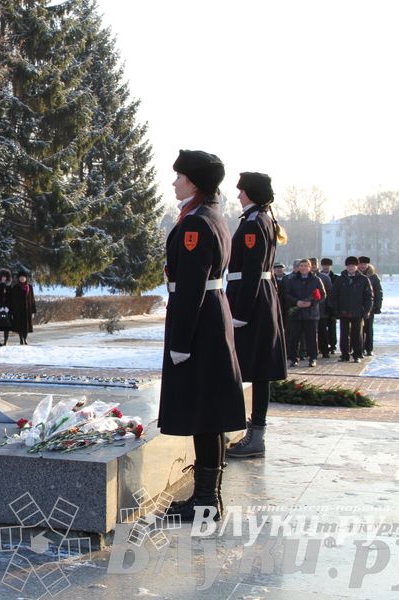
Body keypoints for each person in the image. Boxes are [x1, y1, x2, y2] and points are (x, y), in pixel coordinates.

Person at [159, 150, 245, 522]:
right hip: (210, 317)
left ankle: (206, 502)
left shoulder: (196, 223)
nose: (174, 183)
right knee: (209, 412)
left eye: (179, 177)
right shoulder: (210, 215)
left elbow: (192, 286)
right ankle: (207, 499)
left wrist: (180, 342)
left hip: (200, 324)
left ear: (193, 182)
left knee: (205, 414)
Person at [224, 172, 287, 459]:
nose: (238, 195)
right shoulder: (260, 219)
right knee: (258, 370)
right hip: (260, 298)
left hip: (251, 301)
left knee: (257, 370)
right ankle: (253, 432)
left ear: (251, 192)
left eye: (242, 191)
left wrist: (240, 312)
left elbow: (251, 271)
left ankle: (255, 436)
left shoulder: (253, 223)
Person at [329, 256, 373, 363]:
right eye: (349, 266)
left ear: (357, 266)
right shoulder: (340, 279)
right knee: (344, 334)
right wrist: (336, 310)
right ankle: (344, 354)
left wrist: (366, 310)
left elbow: (369, 297)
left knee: (357, 334)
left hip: (358, 312)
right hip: (343, 311)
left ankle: (357, 354)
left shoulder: (363, 279)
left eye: (353, 266)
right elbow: (333, 295)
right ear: (346, 266)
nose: (351, 268)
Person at [283, 259, 326, 368]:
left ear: (310, 267)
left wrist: (311, 303)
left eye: (306, 266)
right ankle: (294, 358)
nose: (303, 268)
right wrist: (296, 302)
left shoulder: (316, 280)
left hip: (311, 314)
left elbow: (322, 295)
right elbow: (286, 294)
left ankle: (313, 358)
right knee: (294, 337)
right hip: (296, 313)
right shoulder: (292, 280)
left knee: (311, 337)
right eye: (301, 266)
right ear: (298, 267)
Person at [357, 256, 382, 356]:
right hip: (357, 306)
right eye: (360, 264)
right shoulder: (355, 275)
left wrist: (378, 306)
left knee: (368, 328)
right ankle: (359, 348)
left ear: (368, 265)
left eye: (364, 264)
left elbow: (378, 292)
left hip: (370, 306)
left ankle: (369, 348)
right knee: (358, 329)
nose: (362, 266)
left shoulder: (374, 277)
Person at [9, 270, 36, 345]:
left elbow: (32, 299)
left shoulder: (29, 287)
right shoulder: (15, 287)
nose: (22, 279)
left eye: (23, 277)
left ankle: (25, 338)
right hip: (18, 310)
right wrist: (12, 311)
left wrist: (33, 311)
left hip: (27, 310)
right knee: (19, 326)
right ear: (18, 278)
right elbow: (12, 300)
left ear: (26, 278)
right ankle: (21, 339)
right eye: (20, 277)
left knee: (26, 326)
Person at [318, 258, 338, 357]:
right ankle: (322, 347)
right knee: (322, 328)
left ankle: (333, 345)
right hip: (322, 305)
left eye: (328, 265)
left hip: (331, 305)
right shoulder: (318, 276)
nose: (326, 267)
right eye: (324, 265)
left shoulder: (335, 277)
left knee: (332, 327)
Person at [0, 268, 14, 347]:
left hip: (7, 309)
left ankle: (5, 341)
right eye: (2, 276)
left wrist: (8, 308)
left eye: (5, 277)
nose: (4, 278)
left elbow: (11, 298)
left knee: (7, 325)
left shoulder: (10, 287)